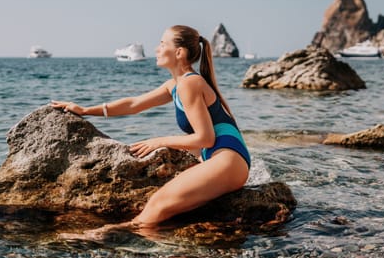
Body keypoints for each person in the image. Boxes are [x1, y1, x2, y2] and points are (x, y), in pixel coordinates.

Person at [51, 25, 251, 235]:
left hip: (228, 160)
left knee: (158, 203)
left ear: (179, 53)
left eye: (162, 43)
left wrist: (158, 141)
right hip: (225, 160)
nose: (156, 48)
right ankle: (145, 239)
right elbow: (134, 104)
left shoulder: (189, 84)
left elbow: (206, 138)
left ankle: (113, 234)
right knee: (167, 207)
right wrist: (85, 110)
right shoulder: (175, 84)